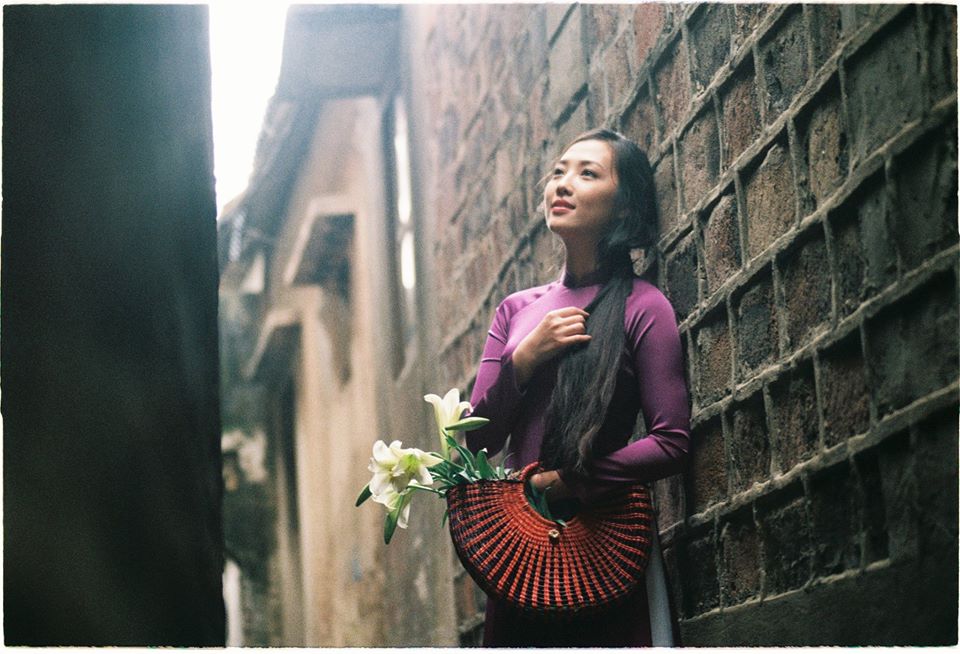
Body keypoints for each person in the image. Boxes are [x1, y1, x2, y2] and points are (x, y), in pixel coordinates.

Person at [466, 128, 691, 647]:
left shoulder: (643, 306)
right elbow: (477, 439)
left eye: (587, 174)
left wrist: (568, 482)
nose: (562, 184)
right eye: (558, 172)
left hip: (609, 551)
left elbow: (672, 441)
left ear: (623, 206)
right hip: (521, 553)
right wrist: (523, 361)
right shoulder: (517, 311)